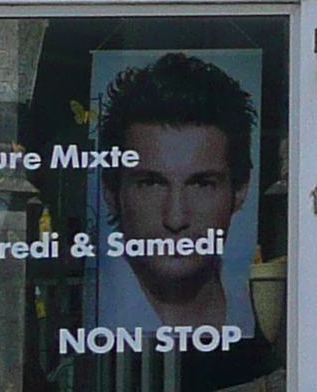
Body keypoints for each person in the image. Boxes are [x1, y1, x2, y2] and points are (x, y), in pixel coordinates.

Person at [94, 53, 255, 332]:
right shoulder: (84, 313)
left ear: (240, 191)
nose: (176, 217)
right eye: (151, 183)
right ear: (111, 191)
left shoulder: (264, 310)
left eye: (202, 184)